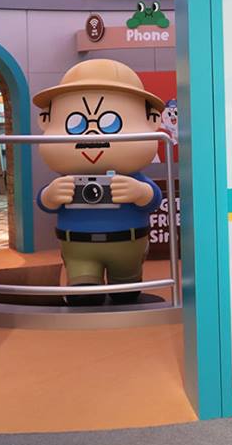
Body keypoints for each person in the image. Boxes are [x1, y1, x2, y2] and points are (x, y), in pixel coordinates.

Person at [35, 58, 163, 306]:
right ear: (46, 120)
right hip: (78, 246)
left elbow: (154, 199)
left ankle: (125, 281)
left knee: (126, 293)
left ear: (152, 120)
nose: (91, 136)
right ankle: (84, 280)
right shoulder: (66, 180)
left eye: (110, 123)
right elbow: (44, 202)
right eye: (76, 125)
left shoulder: (132, 178)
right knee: (85, 295)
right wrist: (50, 195)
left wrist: (140, 192)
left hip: (128, 245)